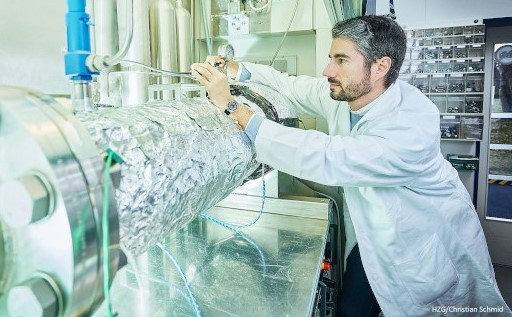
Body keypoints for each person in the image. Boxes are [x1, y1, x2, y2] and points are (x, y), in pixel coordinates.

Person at [191, 15, 511, 317]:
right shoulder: (352, 95)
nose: (327, 70)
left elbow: (326, 156)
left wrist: (231, 106)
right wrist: (236, 68)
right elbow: (290, 85)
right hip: (373, 237)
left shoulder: (410, 125)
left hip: (418, 246)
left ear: (380, 66)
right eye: (332, 58)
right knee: (354, 308)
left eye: (341, 60)